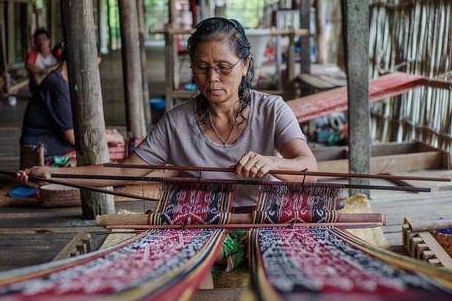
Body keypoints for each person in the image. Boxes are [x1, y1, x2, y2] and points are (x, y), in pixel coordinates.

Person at [16, 17, 317, 283]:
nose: (212, 79)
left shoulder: (272, 109)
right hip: (204, 223)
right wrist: (54, 174)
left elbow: (309, 169)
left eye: (224, 68)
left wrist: (270, 163)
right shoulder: (177, 122)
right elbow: (122, 170)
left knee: (289, 271)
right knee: (188, 264)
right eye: (202, 68)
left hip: (266, 221)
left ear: (246, 65)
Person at [20, 42, 104, 167]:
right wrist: (107, 138)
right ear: (80, 60)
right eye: (92, 67)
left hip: (50, 144)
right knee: (104, 153)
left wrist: (106, 134)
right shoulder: (58, 86)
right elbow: (72, 137)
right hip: (42, 152)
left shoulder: (62, 81)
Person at [26, 28, 58, 94]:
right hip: (38, 85)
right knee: (34, 74)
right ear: (35, 42)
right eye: (38, 40)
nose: (41, 42)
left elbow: (61, 64)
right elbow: (29, 65)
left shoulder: (55, 53)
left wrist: (50, 69)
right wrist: (43, 70)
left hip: (54, 83)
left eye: (44, 39)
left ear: (49, 40)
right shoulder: (33, 54)